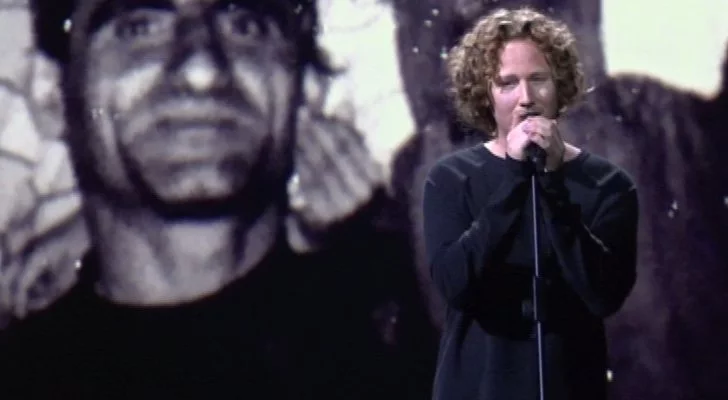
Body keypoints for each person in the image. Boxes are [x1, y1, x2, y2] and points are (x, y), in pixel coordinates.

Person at [0, 0, 437, 399]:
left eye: (246, 25)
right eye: (140, 27)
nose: (201, 68)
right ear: (50, 93)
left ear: (305, 85)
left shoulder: (432, 323)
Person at [422, 7, 638, 400]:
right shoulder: (451, 179)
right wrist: (514, 178)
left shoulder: (608, 185)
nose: (526, 98)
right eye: (507, 84)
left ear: (560, 85)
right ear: (485, 95)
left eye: (538, 80)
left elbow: (604, 293)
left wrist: (553, 185)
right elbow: (454, 283)